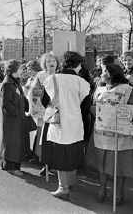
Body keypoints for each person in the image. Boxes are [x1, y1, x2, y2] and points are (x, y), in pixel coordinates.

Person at [86, 63, 133, 206]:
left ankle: (119, 192)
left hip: (120, 134)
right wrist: (95, 109)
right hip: (102, 133)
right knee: (103, 164)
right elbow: (92, 107)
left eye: (103, 71)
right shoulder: (100, 89)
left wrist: (116, 111)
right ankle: (102, 190)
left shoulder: (127, 89)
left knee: (120, 165)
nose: (101, 74)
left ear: (111, 74)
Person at [41, 51, 90, 198]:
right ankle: (72, 183)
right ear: (78, 65)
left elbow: (44, 101)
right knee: (74, 153)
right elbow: (86, 106)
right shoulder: (82, 82)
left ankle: (63, 187)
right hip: (75, 122)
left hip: (58, 121)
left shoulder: (52, 79)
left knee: (61, 155)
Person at [0, 59, 30, 176]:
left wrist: (25, 104)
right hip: (12, 119)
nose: (22, 70)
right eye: (20, 68)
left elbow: (18, 97)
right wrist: (16, 113)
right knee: (12, 142)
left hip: (15, 118)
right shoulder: (8, 84)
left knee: (13, 142)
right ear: (14, 70)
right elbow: (6, 103)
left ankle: (8, 165)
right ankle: (11, 167)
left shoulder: (14, 82)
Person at [31, 53, 60, 175]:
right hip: (46, 111)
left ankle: (58, 165)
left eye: (53, 61)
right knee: (46, 139)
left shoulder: (61, 75)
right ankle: (46, 165)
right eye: (48, 61)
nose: (51, 63)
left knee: (58, 139)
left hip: (60, 111)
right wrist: (46, 91)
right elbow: (34, 90)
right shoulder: (40, 75)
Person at [24, 60, 42, 164]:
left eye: (30, 69)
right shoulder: (30, 79)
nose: (28, 71)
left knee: (37, 132)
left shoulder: (39, 77)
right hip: (30, 109)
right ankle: (31, 152)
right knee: (32, 132)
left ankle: (36, 154)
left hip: (37, 109)